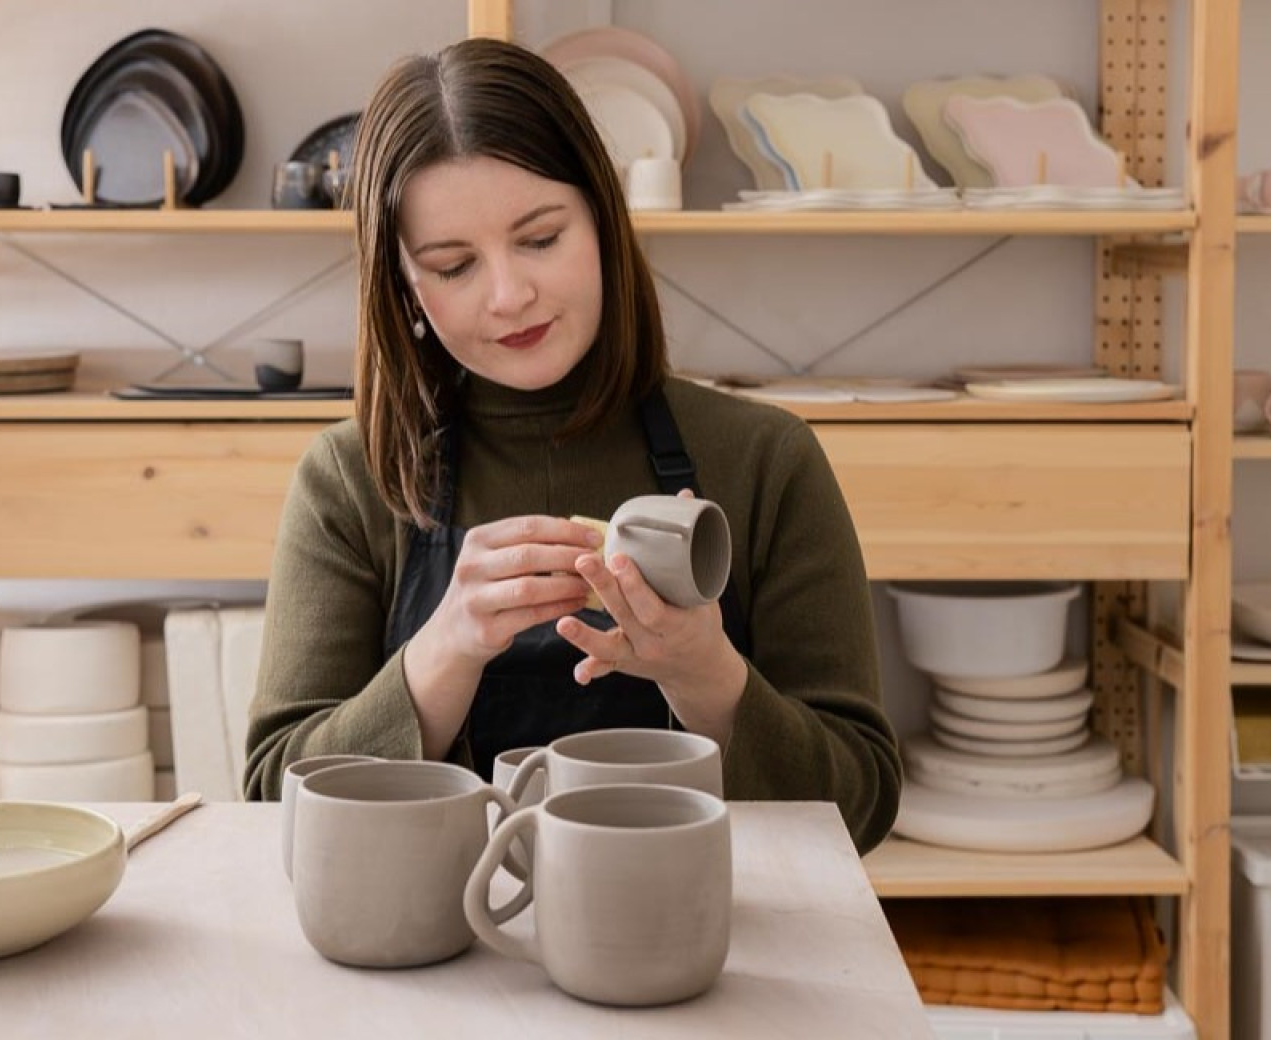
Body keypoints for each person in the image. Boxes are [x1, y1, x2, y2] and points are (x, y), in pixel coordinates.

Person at [242, 37, 900, 850]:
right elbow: (274, 794)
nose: (510, 295)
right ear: (404, 288)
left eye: (541, 238)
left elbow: (863, 802)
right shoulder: (348, 480)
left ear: (602, 219)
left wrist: (704, 672)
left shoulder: (768, 460)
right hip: (433, 950)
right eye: (453, 266)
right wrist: (443, 652)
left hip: (702, 942)